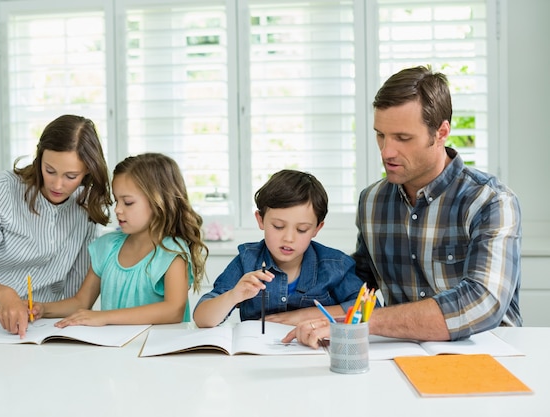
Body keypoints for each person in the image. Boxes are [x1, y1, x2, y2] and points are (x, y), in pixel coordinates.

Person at [284, 65, 522, 348]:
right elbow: (360, 286)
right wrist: (292, 305)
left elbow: (481, 302)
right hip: (401, 358)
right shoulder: (371, 201)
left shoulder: (490, 201)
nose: (386, 152)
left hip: (490, 357)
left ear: (441, 132)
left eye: (403, 138)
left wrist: (362, 322)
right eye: (380, 135)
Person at [0, 115, 113, 337]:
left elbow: (76, 294)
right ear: (39, 157)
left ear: (88, 170)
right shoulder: (2, 188)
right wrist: (5, 295)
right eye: (50, 170)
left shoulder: (88, 206)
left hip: (33, 327)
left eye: (71, 176)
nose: (57, 184)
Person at [30, 153, 208, 327]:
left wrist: (104, 317)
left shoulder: (172, 252)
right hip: (115, 352)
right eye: (116, 201)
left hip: (156, 352)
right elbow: (81, 302)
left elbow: (173, 310)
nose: (118, 210)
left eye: (128, 202)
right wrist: (43, 308)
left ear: (158, 202)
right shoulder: (107, 246)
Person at [193, 169, 365, 328]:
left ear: (317, 229)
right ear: (260, 220)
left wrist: (301, 316)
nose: (288, 238)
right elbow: (202, 318)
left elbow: (366, 309)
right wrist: (233, 296)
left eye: (301, 229)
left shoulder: (335, 265)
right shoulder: (247, 261)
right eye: (278, 226)